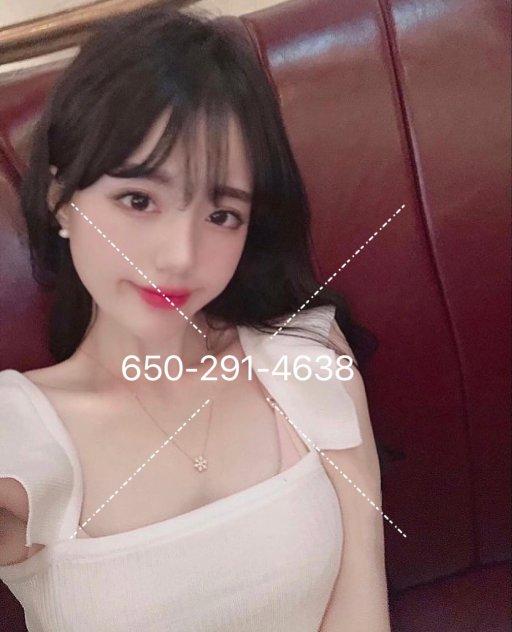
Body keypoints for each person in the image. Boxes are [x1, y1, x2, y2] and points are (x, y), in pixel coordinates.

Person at [0, 5, 390, 631]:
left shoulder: (305, 359)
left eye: (221, 214)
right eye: (139, 199)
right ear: (60, 200)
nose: (181, 257)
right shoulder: (18, 435)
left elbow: (361, 608)